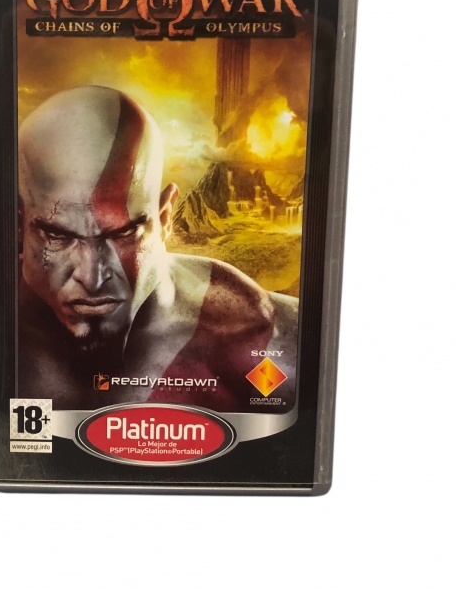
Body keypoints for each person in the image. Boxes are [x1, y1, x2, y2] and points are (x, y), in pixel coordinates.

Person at [18, 86, 297, 412]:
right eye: (57, 235)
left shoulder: (258, 339)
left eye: (124, 233)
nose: (92, 278)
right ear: (18, 225)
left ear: (165, 219)